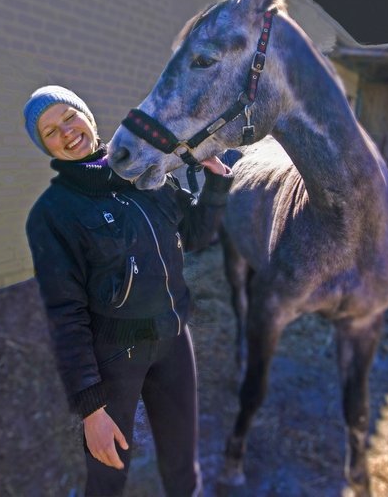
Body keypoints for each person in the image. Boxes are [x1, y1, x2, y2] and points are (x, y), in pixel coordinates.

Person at [23, 86, 232, 497]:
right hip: (115, 357)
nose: (66, 132)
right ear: (45, 146)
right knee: (107, 476)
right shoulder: (52, 214)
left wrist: (216, 180)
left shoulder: (145, 173)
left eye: (69, 117)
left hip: (174, 342)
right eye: (51, 132)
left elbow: (195, 235)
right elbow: (65, 315)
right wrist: (91, 409)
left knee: (182, 467)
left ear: (87, 115)